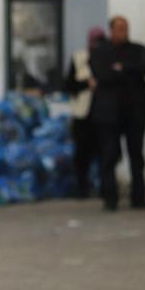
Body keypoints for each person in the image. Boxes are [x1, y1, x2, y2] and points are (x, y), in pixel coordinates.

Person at [89, 16, 145, 211]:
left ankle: (138, 197)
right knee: (109, 156)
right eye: (119, 28)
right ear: (111, 30)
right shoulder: (100, 51)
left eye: (125, 28)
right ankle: (110, 198)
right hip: (109, 114)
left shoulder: (137, 50)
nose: (123, 32)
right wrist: (128, 71)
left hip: (135, 112)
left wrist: (122, 68)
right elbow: (103, 74)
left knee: (137, 157)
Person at [63, 26, 105, 199]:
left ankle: (106, 188)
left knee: (104, 153)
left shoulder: (107, 58)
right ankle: (82, 188)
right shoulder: (79, 57)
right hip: (82, 114)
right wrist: (87, 84)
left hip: (103, 114)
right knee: (82, 154)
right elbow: (68, 85)